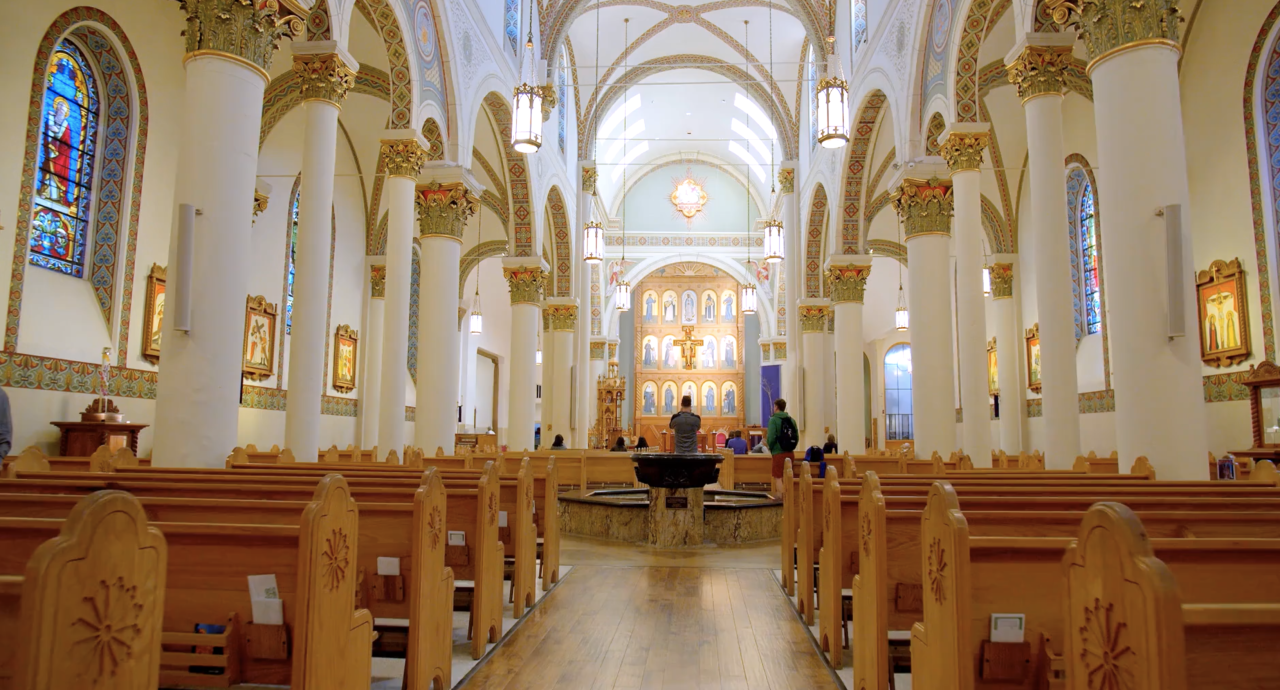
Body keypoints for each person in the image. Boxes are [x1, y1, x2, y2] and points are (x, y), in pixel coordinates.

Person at [766, 398, 799, 495]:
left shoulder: (773, 420)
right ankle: (789, 499)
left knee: (778, 477)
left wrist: (772, 448)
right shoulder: (791, 420)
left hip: (778, 452)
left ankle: (782, 501)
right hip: (790, 452)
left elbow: (771, 437)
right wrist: (791, 447)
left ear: (776, 407)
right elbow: (796, 437)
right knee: (788, 477)